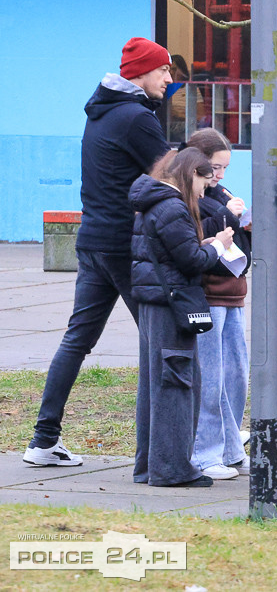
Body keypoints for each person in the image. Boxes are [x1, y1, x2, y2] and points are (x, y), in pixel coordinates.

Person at [24, 37, 173, 467]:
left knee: (77, 340)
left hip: (93, 242)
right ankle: (193, 438)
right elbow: (170, 178)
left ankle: (43, 440)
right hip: (126, 246)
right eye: (163, 70)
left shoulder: (104, 111)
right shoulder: (136, 118)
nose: (169, 78)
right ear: (141, 72)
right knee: (166, 337)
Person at [129, 148, 234, 488]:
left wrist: (201, 245)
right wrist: (217, 246)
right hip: (171, 306)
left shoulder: (152, 202)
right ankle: (172, 469)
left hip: (154, 301)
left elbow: (172, 253)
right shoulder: (173, 206)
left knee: (155, 385)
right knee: (176, 382)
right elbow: (190, 260)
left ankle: (149, 466)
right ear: (191, 174)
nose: (206, 190)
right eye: (205, 180)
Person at [185, 129, 252, 481]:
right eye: (214, 168)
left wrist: (245, 226)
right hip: (209, 293)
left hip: (231, 291)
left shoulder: (218, 192)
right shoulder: (190, 195)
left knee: (235, 374)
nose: (220, 176)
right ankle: (205, 452)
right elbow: (193, 240)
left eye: (224, 168)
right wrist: (227, 217)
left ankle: (229, 446)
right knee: (211, 378)